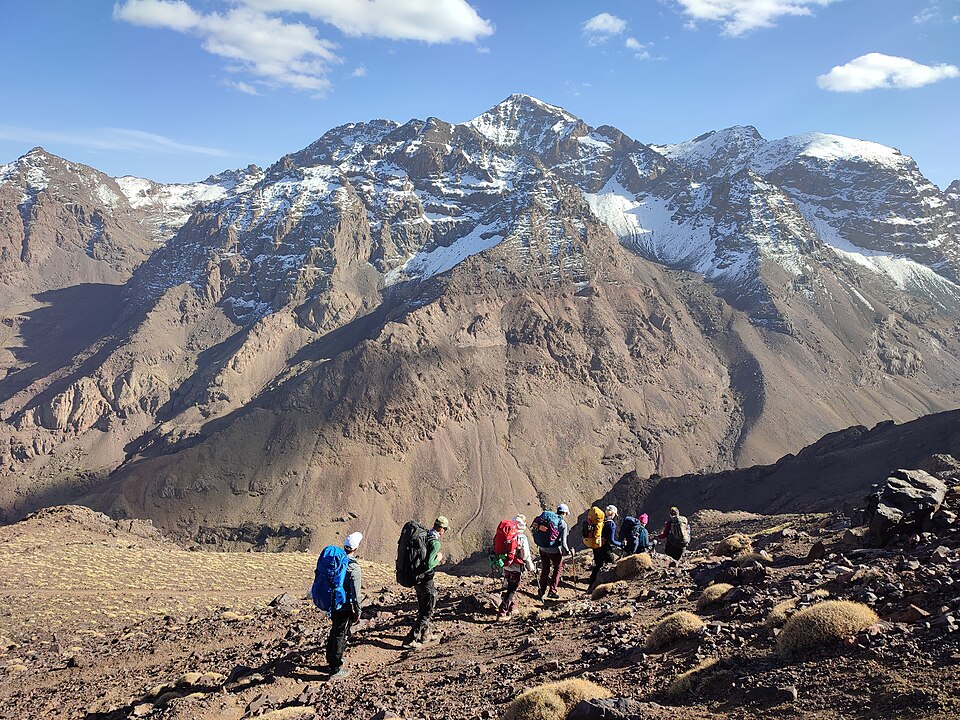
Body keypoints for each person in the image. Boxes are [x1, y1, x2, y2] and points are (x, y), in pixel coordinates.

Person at [403, 515, 448, 648]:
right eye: (444, 529)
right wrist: (438, 558)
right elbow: (429, 564)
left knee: (423, 608)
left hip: (417, 579)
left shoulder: (424, 536)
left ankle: (426, 635)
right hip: (426, 580)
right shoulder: (434, 542)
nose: (444, 531)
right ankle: (410, 639)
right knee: (427, 610)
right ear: (441, 528)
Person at [326, 531, 363, 680]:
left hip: (333, 602)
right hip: (344, 605)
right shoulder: (354, 568)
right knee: (341, 634)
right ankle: (335, 669)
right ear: (356, 548)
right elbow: (356, 594)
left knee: (335, 631)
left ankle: (332, 659)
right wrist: (358, 611)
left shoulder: (336, 560)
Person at [498, 515, 536, 619]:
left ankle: (512, 609)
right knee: (512, 589)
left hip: (506, 565)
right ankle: (502, 612)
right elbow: (525, 555)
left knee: (509, 586)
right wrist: (530, 567)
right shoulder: (522, 537)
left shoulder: (506, 533)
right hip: (516, 567)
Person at [537, 504, 571, 600]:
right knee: (558, 568)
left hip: (542, 548)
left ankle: (541, 591)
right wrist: (568, 551)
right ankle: (552, 591)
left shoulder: (548, 519)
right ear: (564, 513)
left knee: (545, 569)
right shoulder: (563, 524)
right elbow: (564, 543)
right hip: (554, 550)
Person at [588, 504, 622, 590]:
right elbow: (612, 540)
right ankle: (607, 586)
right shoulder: (611, 524)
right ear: (613, 513)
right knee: (612, 564)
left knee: (598, 565)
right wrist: (621, 544)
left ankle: (591, 586)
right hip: (605, 548)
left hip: (596, 546)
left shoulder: (600, 521)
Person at [656, 506, 690, 575]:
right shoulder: (684, 520)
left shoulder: (670, 523)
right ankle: (678, 573)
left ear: (670, 514)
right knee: (678, 560)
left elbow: (664, 535)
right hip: (683, 545)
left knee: (671, 560)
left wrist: (657, 537)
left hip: (673, 546)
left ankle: (671, 573)